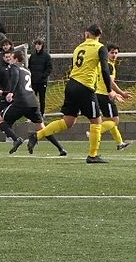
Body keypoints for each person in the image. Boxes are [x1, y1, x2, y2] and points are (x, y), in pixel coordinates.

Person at [28, 24, 131, 163]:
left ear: (87, 34)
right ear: (99, 35)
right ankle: (92, 155)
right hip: (85, 87)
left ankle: (37, 135)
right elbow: (105, 70)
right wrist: (109, 90)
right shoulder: (100, 48)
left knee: (68, 121)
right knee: (96, 121)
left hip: (71, 84)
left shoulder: (78, 47)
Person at [0, 50, 66, 156]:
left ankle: (16, 139)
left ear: (16, 59)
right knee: (42, 128)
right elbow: (23, 86)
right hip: (32, 102)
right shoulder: (27, 70)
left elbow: (15, 77)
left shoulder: (14, 67)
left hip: (21, 102)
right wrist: (4, 92)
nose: (10, 59)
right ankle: (60, 148)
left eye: (11, 57)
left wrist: (10, 92)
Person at [94, 43, 129, 151]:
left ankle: (120, 143)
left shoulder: (104, 64)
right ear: (107, 53)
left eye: (116, 53)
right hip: (104, 95)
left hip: (100, 94)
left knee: (110, 120)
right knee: (115, 120)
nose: (114, 55)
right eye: (112, 52)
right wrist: (121, 93)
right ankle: (94, 132)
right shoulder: (108, 65)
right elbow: (110, 82)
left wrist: (115, 94)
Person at [29, 39, 53, 112]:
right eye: (36, 44)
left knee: (42, 99)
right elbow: (30, 67)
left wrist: (43, 76)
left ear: (42, 45)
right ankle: (33, 114)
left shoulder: (46, 56)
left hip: (42, 82)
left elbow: (49, 68)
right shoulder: (32, 56)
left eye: (39, 44)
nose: (37, 46)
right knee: (33, 99)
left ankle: (42, 114)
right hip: (33, 81)